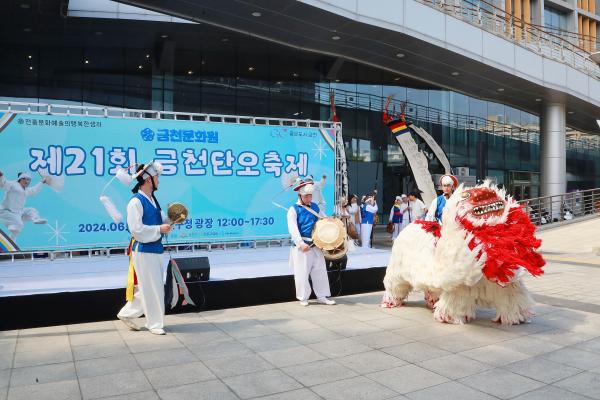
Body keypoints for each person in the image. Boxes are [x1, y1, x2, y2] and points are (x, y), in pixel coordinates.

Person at [117, 161, 172, 335]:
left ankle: (127, 313)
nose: (159, 181)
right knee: (152, 286)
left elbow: (162, 221)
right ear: (148, 180)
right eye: (157, 177)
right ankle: (154, 324)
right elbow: (136, 229)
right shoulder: (135, 202)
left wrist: (172, 219)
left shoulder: (152, 200)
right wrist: (159, 229)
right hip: (143, 250)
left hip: (154, 248)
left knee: (151, 286)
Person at [287, 178, 336, 306]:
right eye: (306, 196)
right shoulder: (293, 210)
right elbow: (293, 229)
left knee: (320, 271)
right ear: (300, 196)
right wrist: (301, 244)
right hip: (302, 246)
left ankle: (322, 296)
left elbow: (322, 217)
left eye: (310, 196)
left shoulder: (314, 206)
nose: (309, 198)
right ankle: (303, 298)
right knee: (302, 272)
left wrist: (328, 219)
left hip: (316, 244)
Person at [0, 171, 48, 240]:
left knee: (31, 210)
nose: (28, 181)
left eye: (29, 180)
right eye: (26, 179)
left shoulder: (25, 190)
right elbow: (3, 183)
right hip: (6, 212)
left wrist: (41, 182)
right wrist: (1, 176)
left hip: (18, 213)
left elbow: (33, 190)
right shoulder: (13, 184)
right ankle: (11, 240)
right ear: (21, 179)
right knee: (18, 225)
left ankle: (35, 219)